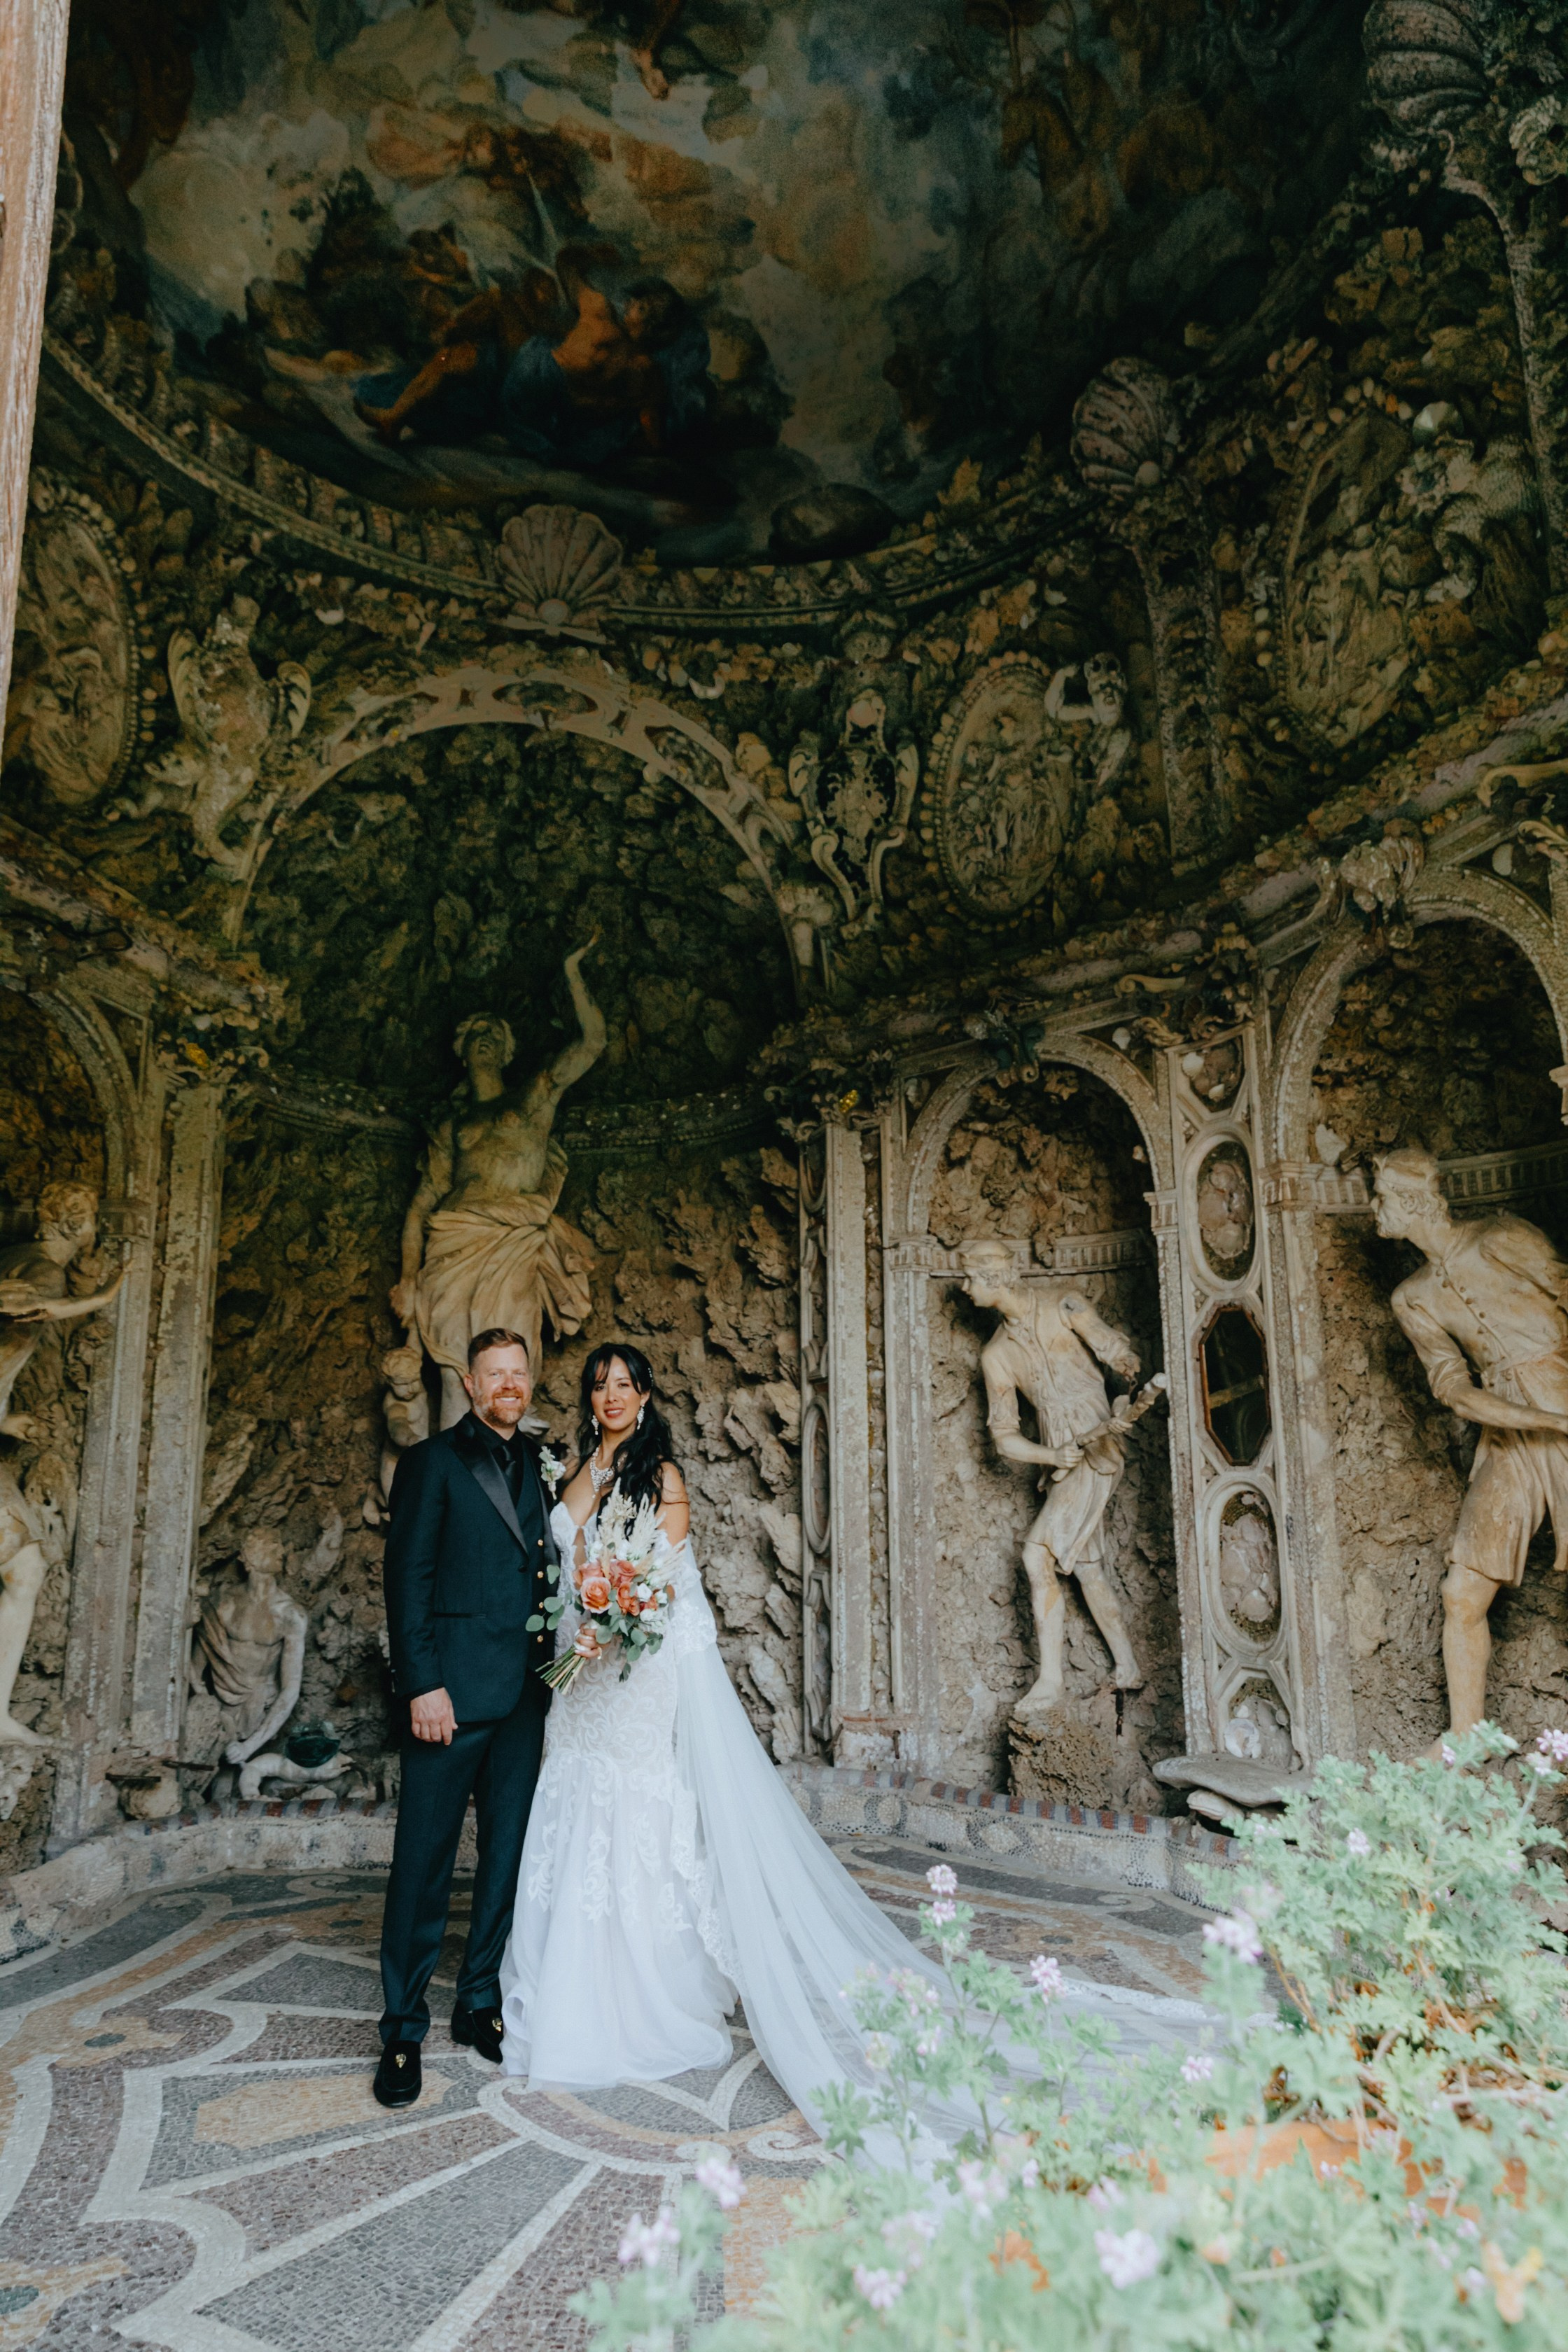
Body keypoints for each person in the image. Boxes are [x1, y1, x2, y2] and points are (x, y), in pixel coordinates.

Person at [492, 1343, 1196, 2132]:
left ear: (646, 1395)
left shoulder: (663, 1478)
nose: (612, 1396)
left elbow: (665, 1585)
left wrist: (620, 1617)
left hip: (635, 1675)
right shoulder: (570, 1471)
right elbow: (562, 1566)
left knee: (632, 1810)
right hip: (577, 1679)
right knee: (575, 1795)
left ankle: (640, 1991)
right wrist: (580, 1625)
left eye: (625, 1384)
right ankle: (570, 1979)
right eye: (600, 1385)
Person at [374, 1328, 558, 2110]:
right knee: (423, 1864)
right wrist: (423, 1685)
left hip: (524, 1698)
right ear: (472, 1384)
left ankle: (478, 1998)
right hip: (447, 1698)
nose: (509, 1385)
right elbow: (407, 1579)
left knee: (505, 1858)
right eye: (495, 1375)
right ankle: (402, 2028)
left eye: (519, 1374)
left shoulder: (546, 1465)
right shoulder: (431, 1462)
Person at [1373, 1147, 1568, 1741]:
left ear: (1413, 1201)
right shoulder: (1411, 1297)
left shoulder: (1500, 1237)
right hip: (1510, 1432)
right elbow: (1454, 1389)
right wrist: (1542, 1420)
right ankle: (1466, 1742)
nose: (1374, 1208)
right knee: (1461, 1593)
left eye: (1382, 1196)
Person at [960, 1239, 1147, 1716]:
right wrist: (1051, 1454)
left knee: (1036, 1553)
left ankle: (1050, 1681)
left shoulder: (1065, 1305)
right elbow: (1004, 1438)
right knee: (1085, 1565)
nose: (964, 1287)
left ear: (994, 1278)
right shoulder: (996, 1354)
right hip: (1063, 1457)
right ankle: (1127, 1666)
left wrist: (1124, 1380)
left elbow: (1119, 1357)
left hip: (1100, 1445)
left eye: (970, 1278)